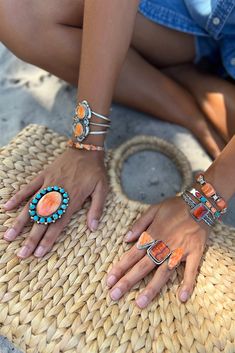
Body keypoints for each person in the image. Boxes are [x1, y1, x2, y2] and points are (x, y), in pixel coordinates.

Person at [0, 0, 235, 307]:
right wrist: (86, 144)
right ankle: (189, 107)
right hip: (189, 16)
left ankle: (179, 82)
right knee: (19, 13)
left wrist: (201, 203)